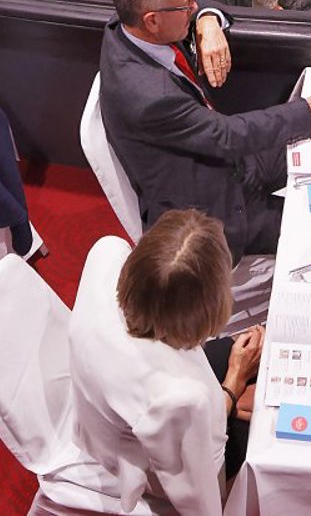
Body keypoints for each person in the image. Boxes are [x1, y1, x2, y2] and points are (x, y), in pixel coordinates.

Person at [96, 0, 311, 255]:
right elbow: (228, 135)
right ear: (152, 20)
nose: (194, 7)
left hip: (228, 159)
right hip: (209, 207)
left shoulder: (126, 21)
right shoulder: (149, 96)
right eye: (187, 6)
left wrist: (207, 21)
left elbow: (202, 2)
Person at [69, 212, 263, 514]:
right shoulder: (183, 397)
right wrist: (231, 389)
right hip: (144, 460)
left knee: (236, 355)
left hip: (106, 398)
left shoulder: (107, 251)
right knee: (267, 434)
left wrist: (226, 396)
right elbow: (201, 499)